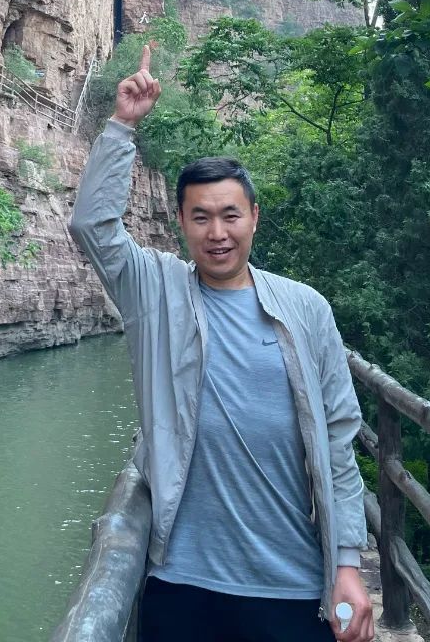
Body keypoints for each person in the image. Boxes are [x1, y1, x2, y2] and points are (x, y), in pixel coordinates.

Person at [69, 45, 375, 642]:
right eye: (201, 217)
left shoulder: (306, 308)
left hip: (292, 582)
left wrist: (347, 564)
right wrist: (122, 126)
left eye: (230, 215)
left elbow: (339, 438)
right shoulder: (154, 292)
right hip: (183, 581)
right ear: (181, 222)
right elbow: (92, 227)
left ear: (254, 217)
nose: (217, 233)